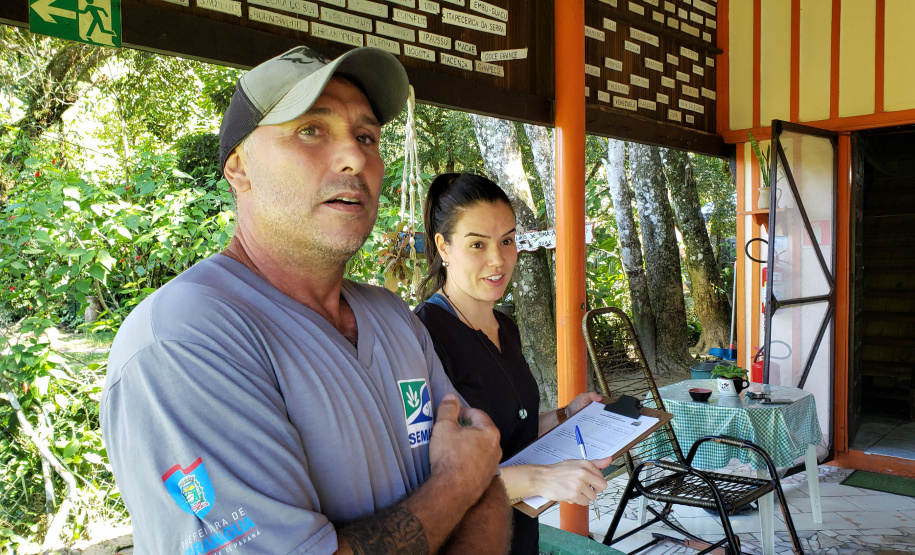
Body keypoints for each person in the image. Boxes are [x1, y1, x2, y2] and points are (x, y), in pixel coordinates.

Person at [100, 47, 511, 554]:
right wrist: (455, 484)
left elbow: (485, 478)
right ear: (239, 168)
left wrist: (470, 480)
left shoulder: (392, 317)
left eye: (366, 137)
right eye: (311, 130)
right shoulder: (183, 339)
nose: (354, 157)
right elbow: (469, 478)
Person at [413, 173, 611, 554]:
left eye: (507, 240)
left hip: (520, 536)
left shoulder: (505, 326)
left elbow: (511, 428)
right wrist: (542, 478)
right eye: (477, 244)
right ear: (443, 247)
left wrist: (566, 415)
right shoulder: (423, 337)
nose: (498, 259)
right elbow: (434, 482)